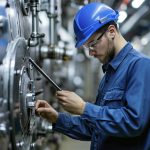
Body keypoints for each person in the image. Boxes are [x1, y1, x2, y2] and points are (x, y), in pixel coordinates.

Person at [35, 2, 150, 150]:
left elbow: (133, 123)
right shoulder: (110, 73)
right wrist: (57, 118)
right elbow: (96, 128)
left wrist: (84, 108)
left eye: (92, 44)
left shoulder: (141, 66)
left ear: (112, 31)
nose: (90, 52)